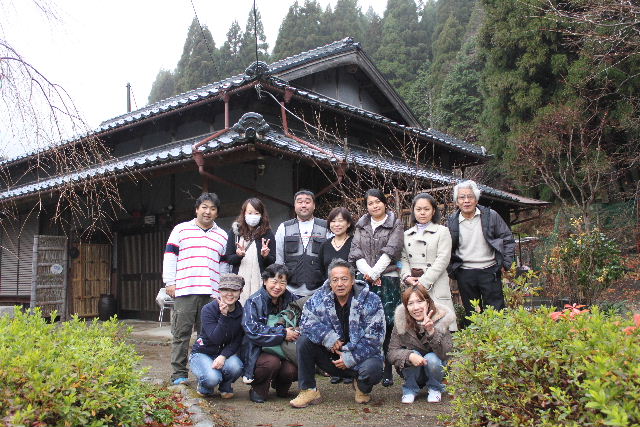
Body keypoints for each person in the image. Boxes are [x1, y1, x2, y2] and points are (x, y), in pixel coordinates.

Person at [290, 259, 386, 408]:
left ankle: (362, 387)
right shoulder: (320, 297)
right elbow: (306, 322)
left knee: (372, 369)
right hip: (332, 357)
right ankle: (309, 390)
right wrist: (327, 336)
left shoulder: (371, 300)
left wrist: (351, 357)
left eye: (344, 279)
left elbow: (376, 338)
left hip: (360, 358)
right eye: (335, 280)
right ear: (330, 282)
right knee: (304, 341)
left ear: (353, 280)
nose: (339, 284)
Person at [162, 193, 229, 385]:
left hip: (210, 293)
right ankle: (178, 374)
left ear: (217, 213)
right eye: (204, 207)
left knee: (207, 336)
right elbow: (170, 257)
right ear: (197, 209)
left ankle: (204, 375)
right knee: (180, 334)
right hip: (185, 290)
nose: (208, 212)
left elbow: (223, 266)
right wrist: (170, 282)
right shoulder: (180, 230)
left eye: (213, 209)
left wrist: (221, 292)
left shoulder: (222, 235)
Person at [348, 188, 404, 387]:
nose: (374, 206)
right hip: (365, 280)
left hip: (387, 279)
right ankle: (366, 366)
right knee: (365, 324)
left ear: (384, 203)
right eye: (370, 203)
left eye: (377, 202)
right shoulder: (361, 225)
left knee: (388, 325)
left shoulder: (395, 223)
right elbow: (355, 252)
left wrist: (375, 273)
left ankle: (387, 369)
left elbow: (392, 250)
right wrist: (368, 274)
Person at [446, 180, 516, 326]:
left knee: (497, 313)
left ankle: (498, 345)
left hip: (490, 270)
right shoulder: (451, 221)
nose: (466, 201)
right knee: (472, 315)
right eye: (462, 197)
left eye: (470, 196)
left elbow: (508, 239)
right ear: (456, 201)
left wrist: (505, 263)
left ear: (476, 198)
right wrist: (452, 270)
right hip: (465, 273)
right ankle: (477, 347)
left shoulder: (491, 216)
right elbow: (446, 248)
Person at [242, 264, 300, 403]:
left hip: (285, 349)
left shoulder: (292, 299)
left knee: (292, 369)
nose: (278, 287)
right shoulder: (253, 301)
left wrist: (297, 330)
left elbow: (303, 320)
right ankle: (258, 388)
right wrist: (281, 333)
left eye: (282, 283)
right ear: (265, 281)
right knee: (271, 363)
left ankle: (281, 384)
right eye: (274, 281)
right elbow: (252, 330)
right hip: (259, 350)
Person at [387, 284, 454, 404]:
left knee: (431, 358)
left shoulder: (441, 319)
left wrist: (431, 332)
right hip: (413, 370)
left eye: (419, 301)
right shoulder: (401, 321)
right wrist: (409, 356)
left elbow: (447, 354)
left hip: (436, 368)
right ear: (406, 307)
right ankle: (410, 389)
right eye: (410, 303)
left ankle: (435, 388)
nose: (416, 307)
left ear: (427, 303)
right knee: (412, 354)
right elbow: (391, 352)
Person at [400, 193, 457, 331]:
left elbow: (443, 259)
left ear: (433, 211)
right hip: (413, 287)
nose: (422, 213)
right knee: (417, 331)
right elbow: (401, 260)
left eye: (426, 209)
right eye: (418, 209)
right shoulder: (406, 235)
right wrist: (406, 276)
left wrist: (424, 282)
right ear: (413, 211)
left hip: (435, 285)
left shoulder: (442, 232)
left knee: (441, 330)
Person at [189, 274, 245, 398]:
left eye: (234, 290)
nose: (229, 294)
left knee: (237, 366)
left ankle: (225, 385)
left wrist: (223, 356)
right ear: (219, 291)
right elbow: (215, 338)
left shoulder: (242, 312)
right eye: (225, 290)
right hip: (203, 352)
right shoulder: (208, 310)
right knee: (212, 378)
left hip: (224, 354)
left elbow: (237, 341)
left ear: (240, 291)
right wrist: (223, 316)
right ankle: (205, 387)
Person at [317, 206, 355, 384]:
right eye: (333, 221)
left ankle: (349, 366)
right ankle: (335, 368)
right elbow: (320, 269)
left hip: (351, 293)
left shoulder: (354, 242)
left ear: (348, 223)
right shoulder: (325, 245)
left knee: (350, 327)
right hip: (330, 292)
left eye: (341, 220)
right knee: (333, 327)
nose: (337, 224)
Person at [274, 190, 329, 296]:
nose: (303, 205)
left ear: (314, 205)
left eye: (307, 202)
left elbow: (331, 258)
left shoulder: (325, 226)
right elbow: (278, 259)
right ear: (294, 205)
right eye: (300, 202)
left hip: (319, 291)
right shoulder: (284, 227)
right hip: (290, 290)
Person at [224, 198, 276, 305]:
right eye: (250, 212)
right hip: (238, 283)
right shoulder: (235, 233)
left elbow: (272, 261)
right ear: (244, 213)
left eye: (256, 213)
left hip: (259, 281)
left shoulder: (267, 233)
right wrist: (238, 255)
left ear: (262, 215)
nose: (253, 216)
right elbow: (229, 258)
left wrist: (265, 256)